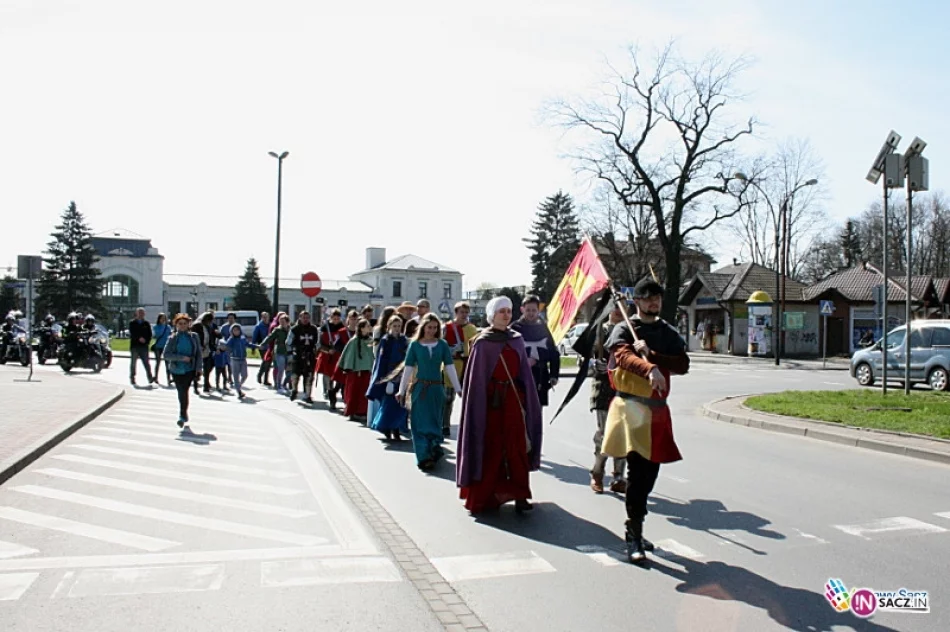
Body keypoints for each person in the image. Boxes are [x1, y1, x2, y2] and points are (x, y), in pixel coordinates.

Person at [602, 279, 690, 564]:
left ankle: (635, 524)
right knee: (638, 475)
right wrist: (649, 367)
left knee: (649, 476)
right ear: (637, 301)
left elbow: (682, 364)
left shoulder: (666, 332)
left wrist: (653, 354)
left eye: (657, 297)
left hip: (657, 411)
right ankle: (634, 533)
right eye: (648, 297)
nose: (654, 302)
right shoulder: (624, 328)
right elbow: (623, 356)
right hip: (631, 410)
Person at [457, 296, 543, 514]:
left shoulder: (516, 339)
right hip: (490, 404)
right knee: (492, 448)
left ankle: (520, 494)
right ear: (492, 315)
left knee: (516, 448)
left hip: (513, 402)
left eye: (508, 311)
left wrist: (527, 399)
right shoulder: (482, 343)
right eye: (501, 311)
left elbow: (524, 373)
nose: (506, 315)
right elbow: (477, 381)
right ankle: (485, 496)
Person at [398, 313, 461, 471]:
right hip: (420, 388)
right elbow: (408, 368)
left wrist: (458, 388)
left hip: (436, 388)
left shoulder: (442, 345)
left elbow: (449, 367)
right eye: (429, 327)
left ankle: (433, 449)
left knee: (434, 421)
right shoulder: (415, 345)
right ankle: (423, 456)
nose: (431, 330)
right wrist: (402, 389)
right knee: (419, 423)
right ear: (423, 327)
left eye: (434, 328)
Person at [589, 300, 627, 494]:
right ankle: (597, 473)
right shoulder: (599, 330)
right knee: (605, 433)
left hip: (624, 388)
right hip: (603, 388)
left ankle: (619, 476)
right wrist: (593, 364)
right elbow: (585, 356)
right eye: (615, 307)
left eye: (623, 308)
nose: (619, 312)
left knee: (623, 433)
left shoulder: (631, 331)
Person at [511, 295, 560, 408]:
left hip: (540, 376)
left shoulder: (543, 328)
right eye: (528, 310)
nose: (531, 313)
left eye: (534, 310)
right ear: (522, 309)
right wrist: (524, 361)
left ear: (538, 310)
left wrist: (554, 375)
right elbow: (508, 353)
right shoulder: (515, 329)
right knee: (521, 411)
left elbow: (553, 353)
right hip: (520, 377)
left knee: (537, 411)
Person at [368, 316, 409, 441]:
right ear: (389, 326)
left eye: (399, 326)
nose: (397, 328)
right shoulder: (386, 340)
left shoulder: (404, 340)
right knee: (389, 403)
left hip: (401, 375)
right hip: (389, 375)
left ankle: (397, 428)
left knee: (400, 404)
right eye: (394, 326)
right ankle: (386, 427)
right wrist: (383, 379)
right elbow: (382, 361)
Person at [442, 301, 478, 438]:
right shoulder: (447, 327)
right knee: (447, 398)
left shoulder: (472, 329)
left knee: (469, 399)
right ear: (456, 312)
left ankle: (468, 425)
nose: (464, 315)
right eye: (462, 312)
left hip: (467, 366)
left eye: (466, 312)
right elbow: (441, 345)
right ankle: (445, 425)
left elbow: (475, 347)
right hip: (450, 366)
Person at [163, 313, 203, 428]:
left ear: (188, 324)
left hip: (190, 369)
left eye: (185, 324)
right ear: (176, 325)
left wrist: (199, 368)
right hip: (176, 369)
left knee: (184, 391)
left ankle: (182, 415)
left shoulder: (194, 336)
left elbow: (199, 354)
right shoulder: (173, 338)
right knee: (181, 391)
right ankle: (183, 413)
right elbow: (166, 354)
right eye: (180, 324)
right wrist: (181, 358)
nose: (182, 326)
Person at [340, 318, 375, 421]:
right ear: (361, 328)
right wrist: (349, 367)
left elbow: (372, 356)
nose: (369, 328)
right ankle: (353, 412)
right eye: (367, 326)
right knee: (354, 392)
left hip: (366, 372)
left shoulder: (370, 341)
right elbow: (349, 355)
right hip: (356, 372)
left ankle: (363, 412)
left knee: (364, 393)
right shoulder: (354, 341)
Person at [316, 309, 346, 407]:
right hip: (327, 357)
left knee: (339, 377)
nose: (336, 320)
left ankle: (334, 391)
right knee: (328, 377)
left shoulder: (343, 328)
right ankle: (330, 395)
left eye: (338, 318)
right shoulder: (325, 328)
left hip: (338, 357)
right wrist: (327, 350)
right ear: (331, 317)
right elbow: (319, 345)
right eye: (334, 318)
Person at [288, 311, 320, 403]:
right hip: (297, 355)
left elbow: (317, 342)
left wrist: (316, 350)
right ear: (300, 318)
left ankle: (307, 395)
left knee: (309, 376)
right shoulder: (294, 329)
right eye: (303, 317)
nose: (305, 319)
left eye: (307, 318)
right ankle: (294, 390)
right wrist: (291, 352)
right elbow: (288, 342)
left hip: (310, 356)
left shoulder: (314, 329)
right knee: (295, 375)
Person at [330, 310, 359, 404]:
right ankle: (333, 394)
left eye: (355, 319)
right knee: (341, 381)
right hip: (344, 360)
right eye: (352, 319)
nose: (354, 321)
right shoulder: (342, 332)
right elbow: (336, 345)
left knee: (349, 382)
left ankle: (346, 400)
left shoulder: (360, 332)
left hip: (356, 361)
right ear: (348, 319)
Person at [261, 314, 291, 395]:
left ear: (287, 322)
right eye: (280, 322)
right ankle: (278, 386)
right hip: (279, 352)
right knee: (280, 369)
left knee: (290, 370)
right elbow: (270, 337)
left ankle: (284, 384)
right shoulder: (277, 330)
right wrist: (263, 344)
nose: (281, 323)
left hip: (289, 352)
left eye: (283, 322)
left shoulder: (291, 330)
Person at [224, 323, 253, 399]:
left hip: (243, 359)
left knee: (245, 375)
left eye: (237, 330)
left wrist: (256, 346)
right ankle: (239, 392)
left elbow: (247, 344)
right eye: (234, 330)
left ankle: (238, 386)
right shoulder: (231, 339)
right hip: (234, 359)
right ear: (232, 331)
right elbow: (226, 347)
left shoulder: (242, 337)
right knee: (236, 377)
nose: (236, 331)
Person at [191, 312, 216, 394]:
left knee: (208, 367)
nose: (210, 322)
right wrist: (199, 346)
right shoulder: (196, 326)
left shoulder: (208, 326)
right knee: (197, 368)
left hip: (207, 349)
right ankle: (195, 387)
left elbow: (210, 337)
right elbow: (193, 337)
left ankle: (206, 386)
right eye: (210, 320)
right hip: (198, 349)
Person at [128, 307, 155, 385]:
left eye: (142, 313)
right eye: (139, 313)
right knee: (133, 363)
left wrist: (147, 341)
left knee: (146, 363)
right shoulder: (132, 323)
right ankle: (132, 378)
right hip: (135, 346)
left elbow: (149, 334)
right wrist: (139, 338)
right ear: (136, 313)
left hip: (144, 346)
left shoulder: (146, 323)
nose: (141, 314)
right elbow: (132, 333)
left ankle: (150, 378)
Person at [152, 313, 172, 385]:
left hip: (166, 347)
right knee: (158, 362)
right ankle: (156, 377)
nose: (163, 319)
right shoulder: (156, 327)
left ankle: (168, 379)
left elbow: (170, 336)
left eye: (164, 318)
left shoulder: (168, 327)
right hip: (158, 346)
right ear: (159, 319)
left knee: (168, 363)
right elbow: (156, 335)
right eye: (162, 318)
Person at [253, 311, 272, 385]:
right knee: (265, 362)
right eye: (264, 317)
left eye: (267, 317)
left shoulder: (270, 325)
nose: (265, 319)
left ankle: (266, 380)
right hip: (262, 347)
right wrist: (253, 347)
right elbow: (254, 337)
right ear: (261, 318)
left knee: (268, 363)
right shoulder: (258, 326)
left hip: (270, 347)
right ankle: (260, 375)